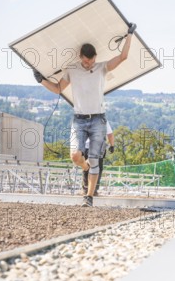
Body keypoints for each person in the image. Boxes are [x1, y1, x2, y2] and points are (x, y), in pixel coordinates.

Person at [33, 22, 136, 207]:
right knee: (75, 156)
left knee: (95, 158)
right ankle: (85, 167)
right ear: (81, 57)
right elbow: (58, 89)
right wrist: (41, 80)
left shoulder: (102, 67)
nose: (89, 64)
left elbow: (123, 56)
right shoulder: (72, 70)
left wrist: (129, 35)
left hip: (98, 119)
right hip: (79, 120)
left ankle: (88, 197)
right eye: (86, 61)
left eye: (92, 60)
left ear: (95, 57)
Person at [82, 121, 114, 196]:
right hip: (98, 147)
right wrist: (112, 145)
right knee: (97, 168)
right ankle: (94, 190)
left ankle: (86, 189)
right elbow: (110, 134)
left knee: (86, 167)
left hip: (86, 147)